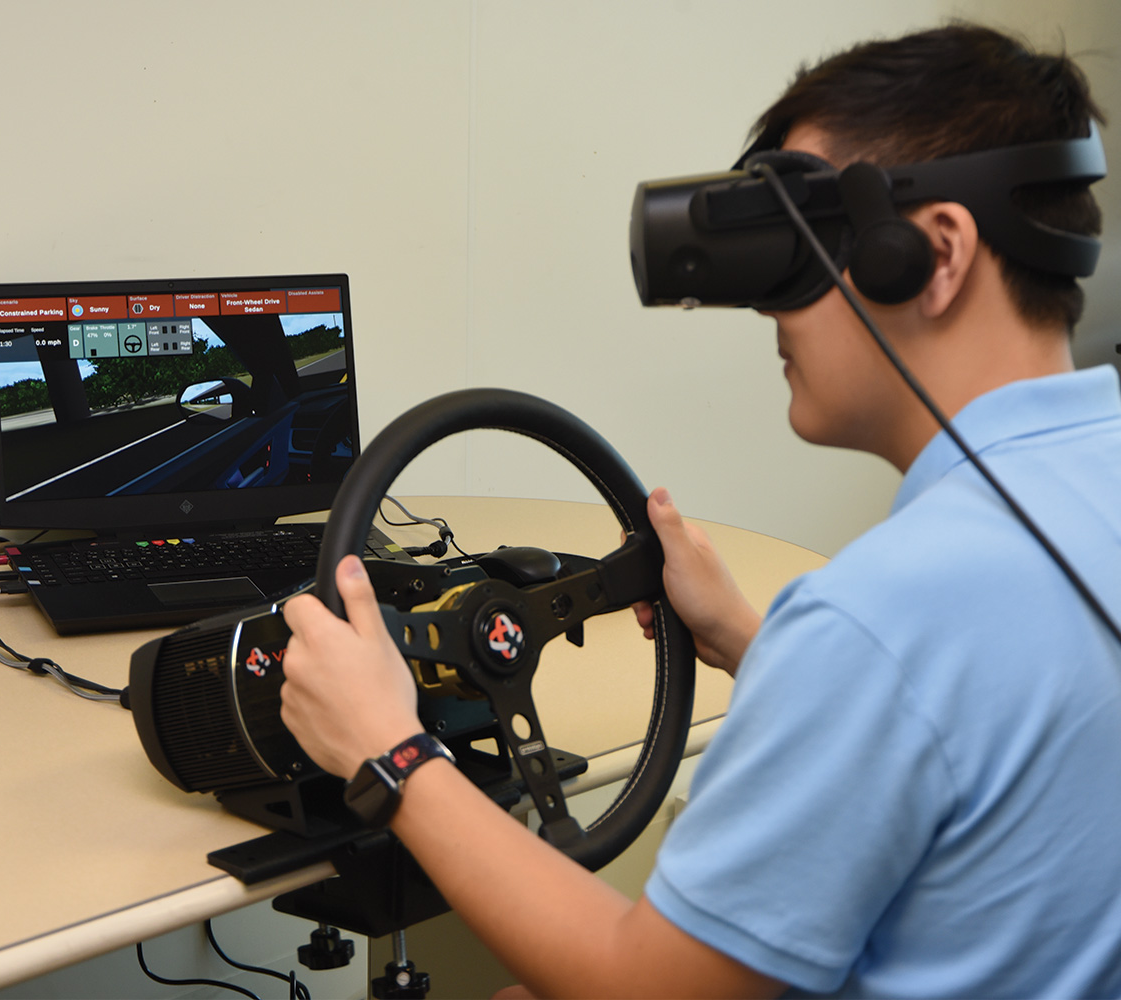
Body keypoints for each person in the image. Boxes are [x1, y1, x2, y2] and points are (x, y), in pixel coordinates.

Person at [279, 22, 1121, 998]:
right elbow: (993, 728)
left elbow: (649, 988)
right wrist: (754, 643)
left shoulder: (876, 620)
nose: (768, 309)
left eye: (796, 258)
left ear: (931, 252)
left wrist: (391, 752)